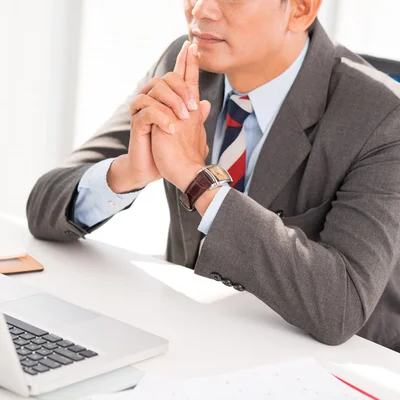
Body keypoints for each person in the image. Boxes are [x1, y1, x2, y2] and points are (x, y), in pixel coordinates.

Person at [26, 0, 400, 352]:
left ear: (301, 9)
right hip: (193, 340)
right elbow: (44, 207)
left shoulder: (383, 117)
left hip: (333, 366)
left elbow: (340, 307)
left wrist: (196, 179)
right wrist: (128, 171)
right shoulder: (186, 60)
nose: (200, 9)